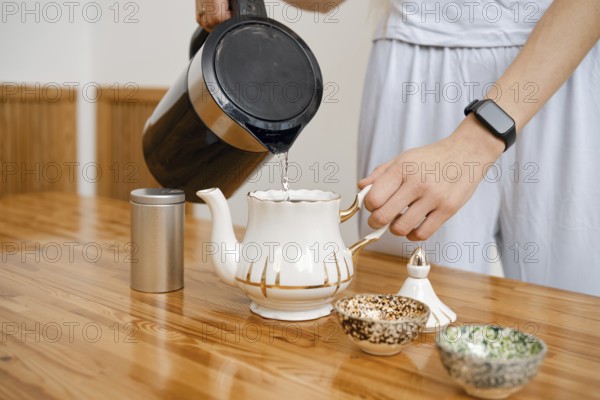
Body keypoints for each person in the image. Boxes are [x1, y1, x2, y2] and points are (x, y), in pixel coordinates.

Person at [196, 0, 600, 296]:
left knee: (574, 320)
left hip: (560, 62)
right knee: (411, 308)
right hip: (415, 57)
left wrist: (474, 142)